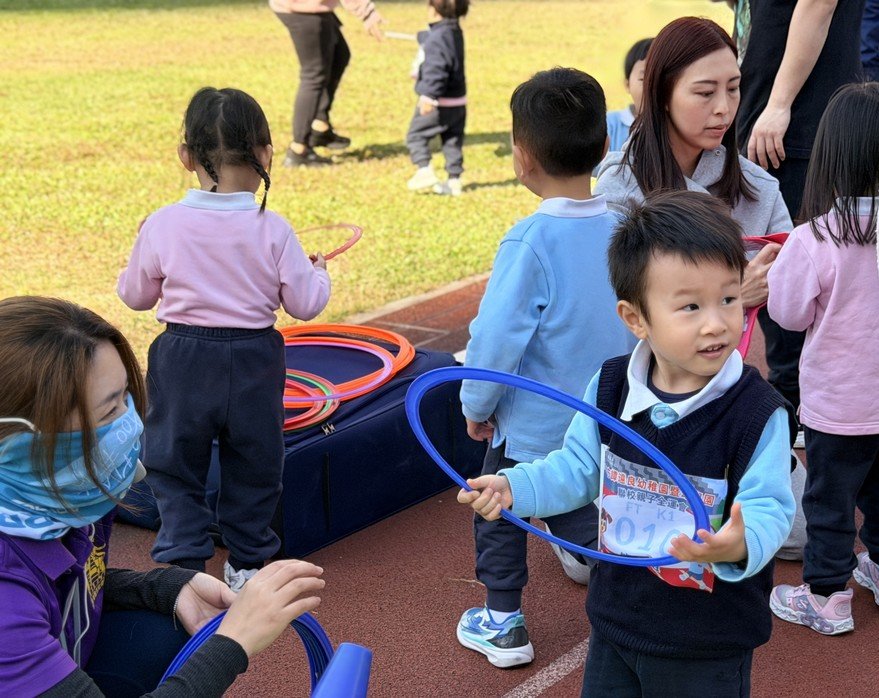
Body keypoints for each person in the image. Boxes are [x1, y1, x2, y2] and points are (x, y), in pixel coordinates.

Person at [459, 191, 796, 696]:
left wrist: (739, 542)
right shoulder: (611, 385)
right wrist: (514, 488)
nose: (716, 322)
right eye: (690, 306)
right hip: (616, 621)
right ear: (636, 318)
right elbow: (577, 466)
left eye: (728, 298)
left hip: (706, 642)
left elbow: (770, 505)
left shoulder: (757, 412)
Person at [0, 296, 325, 696]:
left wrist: (165, 587)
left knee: (166, 631)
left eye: (125, 397)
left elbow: (61, 585)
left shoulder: (53, 493)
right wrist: (234, 644)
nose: (130, 424)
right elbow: (19, 601)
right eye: (108, 412)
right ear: (18, 442)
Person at [593, 16, 807, 561]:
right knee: (609, 557)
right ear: (662, 92)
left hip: (726, 399)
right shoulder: (619, 182)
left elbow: (795, 298)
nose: (724, 108)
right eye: (705, 92)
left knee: (794, 534)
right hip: (643, 395)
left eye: (733, 89)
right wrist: (737, 292)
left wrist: (779, 284)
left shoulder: (756, 186)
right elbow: (615, 308)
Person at [457, 67, 636, 669]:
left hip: (533, 427)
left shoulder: (530, 240)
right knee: (588, 508)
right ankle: (641, 594)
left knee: (498, 509)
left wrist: (476, 406)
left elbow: (495, 340)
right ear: (604, 145)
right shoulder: (626, 227)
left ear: (521, 155)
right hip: (607, 417)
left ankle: (503, 620)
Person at [118, 87, 331, 591]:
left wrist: (142, 241)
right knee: (256, 462)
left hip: (182, 357)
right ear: (265, 154)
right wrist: (319, 272)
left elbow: (135, 296)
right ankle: (249, 562)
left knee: (172, 461)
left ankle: (184, 565)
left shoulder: (163, 224)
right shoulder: (274, 228)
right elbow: (305, 304)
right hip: (255, 358)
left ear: (186, 156)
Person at [767, 83, 879, 635]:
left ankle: (827, 596)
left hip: (837, 408)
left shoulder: (813, 239)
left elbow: (788, 316)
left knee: (829, 502)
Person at [737, 0, 864, 418]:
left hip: (795, 120)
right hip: (775, 113)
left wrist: (779, 104)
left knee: (796, 289)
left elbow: (818, 4)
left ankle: (796, 424)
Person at [270, 0, 385, 167]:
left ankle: (320, 127)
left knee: (340, 56)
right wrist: (366, 12)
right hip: (302, 9)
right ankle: (298, 150)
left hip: (309, 6)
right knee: (314, 75)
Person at [405, 0, 468, 196]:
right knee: (452, 141)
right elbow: (441, 43)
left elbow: (437, 68)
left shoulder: (436, 39)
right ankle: (454, 181)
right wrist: (424, 37)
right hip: (458, 101)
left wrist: (428, 97)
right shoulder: (454, 31)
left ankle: (424, 169)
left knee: (416, 136)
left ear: (434, 10)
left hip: (439, 102)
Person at [605, 37, 652, 153]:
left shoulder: (680, 128)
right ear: (627, 85)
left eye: (661, 78)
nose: (652, 86)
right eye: (643, 79)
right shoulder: (609, 124)